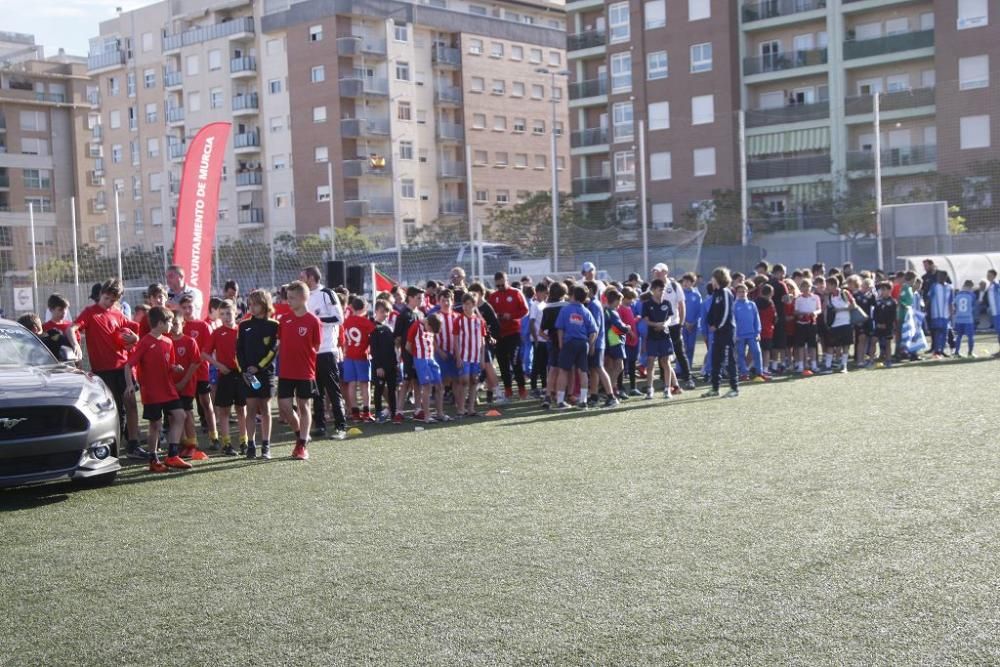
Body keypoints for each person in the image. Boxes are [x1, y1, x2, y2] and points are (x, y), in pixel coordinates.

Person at [68, 279, 143, 458]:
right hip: (103, 371)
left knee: (131, 405)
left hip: (123, 368)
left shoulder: (118, 314)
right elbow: (71, 328)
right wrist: (76, 345)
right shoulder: (89, 313)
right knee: (113, 409)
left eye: (112, 300)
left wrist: (134, 339)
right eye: (106, 297)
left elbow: (134, 336)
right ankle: (113, 448)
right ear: (100, 294)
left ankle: (133, 445)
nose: (108, 302)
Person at [125, 306, 191, 472]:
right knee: (155, 425)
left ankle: (172, 455)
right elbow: (128, 365)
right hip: (152, 392)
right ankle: (153, 459)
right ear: (160, 323)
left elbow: (169, 364)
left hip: (168, 389)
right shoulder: (145, 342)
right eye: (169, 322)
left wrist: (175, 368)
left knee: (180, 415)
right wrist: (130, 385)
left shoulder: (168, 342)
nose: (172, 325)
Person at [300, 266, 347, 440]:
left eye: (303, 276)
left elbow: (338, 318)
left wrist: (316, 321)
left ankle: (340, 426)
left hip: (327, 350)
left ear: (311, 277)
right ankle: (320, 425)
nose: (301, 279)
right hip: (311, 352)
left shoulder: (327, 293)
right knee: (316, 392)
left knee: (333, 390)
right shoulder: (303, 296)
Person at [278, 281, 322, 460]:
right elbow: (280, 342)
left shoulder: (313, 321)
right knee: (285, 406)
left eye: (292, 298)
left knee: (304, 406)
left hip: (305, 371)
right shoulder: (284, 319)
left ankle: (302, 445)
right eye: (287, 298)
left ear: (304, 298)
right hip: (286, 371)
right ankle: (300, 434)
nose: (288, 301)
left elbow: (316, 346)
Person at [237, 289, 279, 459]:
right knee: (251, 409)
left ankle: (266, 446)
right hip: (248, 374)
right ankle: (251, 445)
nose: (252, 308)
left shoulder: (274, 325)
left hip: (266, 374)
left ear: (265, 304)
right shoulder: (244, 325)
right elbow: (238, 351)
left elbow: (273, 350)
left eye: (256, 304)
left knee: (265, 408)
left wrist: (259, 367)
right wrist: (244, 371)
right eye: (250, 304)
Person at [202, 300, 246, 456]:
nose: (226, 317)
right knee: (224, 411)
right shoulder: (217, 332)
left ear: (236, 312)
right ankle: (226, 443)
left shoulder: (242, 330)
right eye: (222, 314)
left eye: (228, 313)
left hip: (241, 375)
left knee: (242, 409)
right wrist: (218, 365)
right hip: (225, 375)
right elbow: (204, 354)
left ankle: (244, 441)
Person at [179, 295, 218, 449]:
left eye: (190, 307)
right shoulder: (178, 326)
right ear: (180, 309)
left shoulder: (203, 326)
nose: (188, 310)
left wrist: (196, 364)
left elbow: (207, 351)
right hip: (183, 375)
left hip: (200, 372)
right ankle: (189, 441)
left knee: (206, 404)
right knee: (185, 408)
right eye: (184, 307)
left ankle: (214, 436)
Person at [487, 271, 529, 401]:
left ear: (507, 281)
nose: (500, 288)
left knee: (515, 360)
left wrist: (511, 316)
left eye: (502, 285)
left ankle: (522, 389)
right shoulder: (493, 297)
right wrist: (497, 317)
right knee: (502, 363)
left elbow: (525, 310)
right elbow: (489, 314)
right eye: (497, 286)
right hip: (499, 335)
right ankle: (508, 390)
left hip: (513, 333)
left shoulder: (516, 293)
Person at [554, 285, 597, 410]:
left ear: (572, 295)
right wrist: (590, 344)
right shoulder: (586, 311)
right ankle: (583, 400)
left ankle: (560, 401)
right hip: (583, 343)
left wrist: (561, 343)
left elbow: (560, 328)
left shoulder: (565, 310)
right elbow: (594, 331)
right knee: (583, 372)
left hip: (569, 343)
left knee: (563, 371)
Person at [650, 263, 692, 389]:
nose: (656, 274)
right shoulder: (652, 286)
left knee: (679, 351)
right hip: (659, 326)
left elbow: (681, 305)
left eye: (658, 271)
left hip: (674, 324)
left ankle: (688, 377)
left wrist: (681, 323)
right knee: (662, 353)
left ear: (665, 272)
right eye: (655, 272)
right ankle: (665, 380)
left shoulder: (674, 285)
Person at [703, 268, 739, 399]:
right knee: (716, 360)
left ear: (718, 278)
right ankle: (715, 388)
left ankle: (734, 388)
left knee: (730, 360)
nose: (711, 280)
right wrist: (710, 323)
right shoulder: (716, 293)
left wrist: (717, 326)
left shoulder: (725, 292)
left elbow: (727, 313)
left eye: (713, 277)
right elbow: (712, 312)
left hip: (727, 332)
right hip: (718, 333)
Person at [342, 296, 377, 423]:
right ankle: (366, 412)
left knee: (351, 384)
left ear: (351, 307)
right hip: (362, 355)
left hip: (349, 356)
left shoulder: (347, 321)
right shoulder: (365, 322)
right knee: (364, 385)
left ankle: (355, 412)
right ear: (364, 308)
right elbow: (375, 334)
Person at [407, 313, 448, 423]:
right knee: (427, 386)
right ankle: (427, 416)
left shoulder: (431, 326)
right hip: (421, 359)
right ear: (427, 323)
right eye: (430, 329)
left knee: (439, 385)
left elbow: (432, 342)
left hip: (430, 358)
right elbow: (408, 346)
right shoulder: (416, 326)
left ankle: (440, 413)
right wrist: (416, 359)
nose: (430, 332)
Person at [393, 285, 425, 423]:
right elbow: (398, 337)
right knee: (406, 382)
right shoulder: (404, 315)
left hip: (420, 354)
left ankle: (418, 409)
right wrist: (402, 354)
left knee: (418, 382)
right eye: (418, 297)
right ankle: (399, 411)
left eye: (422, 297)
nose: (421, 300)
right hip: (408, 354)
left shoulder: (421, 314)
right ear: (410, 298)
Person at [640, 278, 676, 400]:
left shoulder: (667, 303)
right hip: (652, 338)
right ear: (654, 290)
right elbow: (645, 320)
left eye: (664, 290)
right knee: (650, 363)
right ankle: (650, 389)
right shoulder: (646, 304)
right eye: (660, 290)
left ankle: (667, 389)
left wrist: (665, 324)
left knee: (666, 362)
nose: (662, 292)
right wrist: (656, 325)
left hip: (665, 337)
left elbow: (670, 318)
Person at [455, 293, 486, 417]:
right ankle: (461, 409)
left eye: (469, 304)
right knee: (464, 381)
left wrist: (482, 358)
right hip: (464, 356)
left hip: (475, 356)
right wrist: (458, 357)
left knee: (474, 381)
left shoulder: (479, 321)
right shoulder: (459, 320)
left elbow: (482, 341)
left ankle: (471, 409)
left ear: (474, 305)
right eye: (465, 304)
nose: (467, 307)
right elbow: (455, 340)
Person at [370, 300, 398, 422]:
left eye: (387, 311)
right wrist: (378, 366)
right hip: (380, 365)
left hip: (391, 364)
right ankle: (378, 413)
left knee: (392, 389)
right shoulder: (373, 327)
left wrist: (395, 363)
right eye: (382, 311)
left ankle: (394, 413)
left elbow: (392, 348)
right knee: (379, 389)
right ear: (376, 311)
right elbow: (374, 349)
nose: (385, 314)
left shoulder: (389, 328)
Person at [602, 288, 630, 407]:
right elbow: (619, 326)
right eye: (619, 301)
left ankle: (610, 388)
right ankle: (610, 388)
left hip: (609, 342)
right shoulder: (612, 312)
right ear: (615, 301)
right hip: (615, 342)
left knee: (611, 366)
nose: (620, 304)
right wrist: (627, 327)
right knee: (619, 366)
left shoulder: (605, 311)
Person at [733, 284, 764, 380]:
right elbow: (733, 321)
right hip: (740, 335)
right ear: (736, 293)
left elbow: (756, 319)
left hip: (752, 334)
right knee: (740, 354)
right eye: (739, 292)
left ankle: (759, 372)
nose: (742, 294)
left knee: (757, 352)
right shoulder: (734, 306)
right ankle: (744, 373)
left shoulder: (752, 304)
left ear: (747, 292)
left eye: (744, 291)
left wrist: (758, 332)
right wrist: (735, 334)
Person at [824, 275, 854, 374]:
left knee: (845, 345)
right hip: (833, 324)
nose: (826, 287)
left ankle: (844, 365)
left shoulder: (844, 293)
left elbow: (853, 305)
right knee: (830, 345)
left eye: (828, 285)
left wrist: (840, 310)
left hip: (845, 323)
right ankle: (828, 367)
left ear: (833, 285)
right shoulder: (828, 296)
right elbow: (826, 309)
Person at [793, 279, 822, 376]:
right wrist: (801, 314)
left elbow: (819, 309)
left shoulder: (816, 297)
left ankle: (813, 365)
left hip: (812, 324)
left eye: (807, 287)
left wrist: (814, 313)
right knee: (801, 345)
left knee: (812, 345)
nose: (806, 289)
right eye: (803, 287)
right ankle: (801, 365)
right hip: (801, 324)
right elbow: (796, 311)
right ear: (801, 288)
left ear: (811, 287)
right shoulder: (798, 299)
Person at [528, 283, 548, 397]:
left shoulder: (544, 304)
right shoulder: (535, 305)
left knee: (543, 364)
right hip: (538, 340)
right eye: (544, 292)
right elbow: (531, 322)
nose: (546, 295)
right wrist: (535, 338)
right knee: (536, 364)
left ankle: (544, 386)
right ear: (538, 292)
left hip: (544, 339)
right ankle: (534, 387)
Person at [928, 270, 953, 359]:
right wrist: (928, 311)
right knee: (937, 332)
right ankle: (936, 350)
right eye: (938, 276)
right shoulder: (934, 286)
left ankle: (942, 350)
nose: (939, 278)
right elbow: (929, 299)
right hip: (936, 314)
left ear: (945, 277)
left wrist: (951, 312)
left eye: (941, 276)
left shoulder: (949, 288)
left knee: (945, 333)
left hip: (945, 314)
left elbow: (950, 301)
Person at [871, 281, 896, 367]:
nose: (882, 291)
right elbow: (875, 314)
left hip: (887, 326)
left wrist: (887, 324)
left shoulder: (892, 302)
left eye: (884, 289)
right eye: (881, 289)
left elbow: (892, 316)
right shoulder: (878, 302)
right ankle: (871, 360)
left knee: (887, 343)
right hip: (878, 325)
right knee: (873, 341)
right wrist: (877, 323)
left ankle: (888, 360)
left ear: (889, 290)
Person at [952, 280, 977, 358]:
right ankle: (970, 353)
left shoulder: (957, 295)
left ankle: (956, 352)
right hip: (968, 319)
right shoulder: (972, 295)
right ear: (970, 287)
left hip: (958, 318)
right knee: (970, 336)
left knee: (958, 336)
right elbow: (974, 306)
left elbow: (954, 306)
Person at [755, 284, 776, 375]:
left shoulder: (755, 302)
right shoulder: (771, 304)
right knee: (766, 350)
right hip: (768, 330)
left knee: (753, 350)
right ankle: (765, 369)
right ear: (770, 293)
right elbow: (774, 318)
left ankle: (748, 367)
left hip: (756, 330)